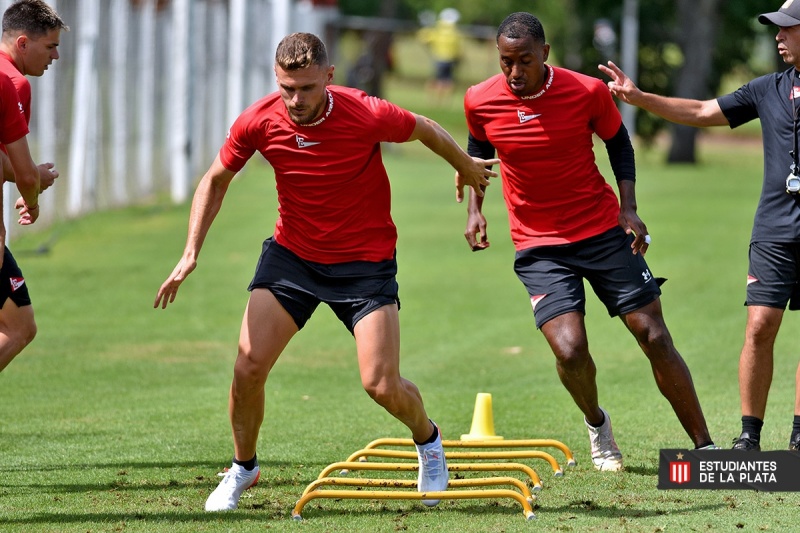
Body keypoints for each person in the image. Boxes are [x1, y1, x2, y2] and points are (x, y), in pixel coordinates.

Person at [154, 32, 499, 511]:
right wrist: (190, 251)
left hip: (365, 264)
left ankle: (429, 441)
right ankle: (243, 468)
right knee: (248, 367)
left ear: (329, 77)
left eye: (307, 88)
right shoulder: (258, 120)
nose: (295, 100)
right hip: (294, 258)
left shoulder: (365, 112)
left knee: (381, 385)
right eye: (286, 88)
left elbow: (424, 128)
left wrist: (464, 164)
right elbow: (215, 180)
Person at [460, 12, 718, 471]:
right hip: (539, 245)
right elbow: (478, 152)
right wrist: (475, 210)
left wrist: (629, 207)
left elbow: (619, 143)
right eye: (505, 62)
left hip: (601, 230)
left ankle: (705, 449)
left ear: (545, 53)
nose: (514, 72)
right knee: (570, 350)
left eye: (524, 61)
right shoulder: (479, 100)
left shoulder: (586, 91)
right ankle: (598, 424)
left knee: (654, 335)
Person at [599, 2, 800, 452]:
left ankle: (799, 435)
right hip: (773, 230)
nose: (778, 36)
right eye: (776, 29)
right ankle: (748, 436)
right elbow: (702, 110)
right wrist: (640, 98)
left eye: (788, 29)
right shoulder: (767, 88)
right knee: (759, 327)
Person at [0, 0, 66, 374]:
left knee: (21, 325)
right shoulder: (13, 83)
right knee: (19, 328)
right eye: (50, 46)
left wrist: (32, 177)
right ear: (23, 43)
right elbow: (21, 173)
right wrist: (33, 195)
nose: (55, 56)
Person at [417, 8, 463, 106]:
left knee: (435, 80)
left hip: (438, 58)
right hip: (450, 59)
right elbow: (458, 48)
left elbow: (425, 39)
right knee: (448, 82)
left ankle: (432, 101)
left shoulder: (437, 29)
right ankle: (445, 103)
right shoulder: (455, 32)